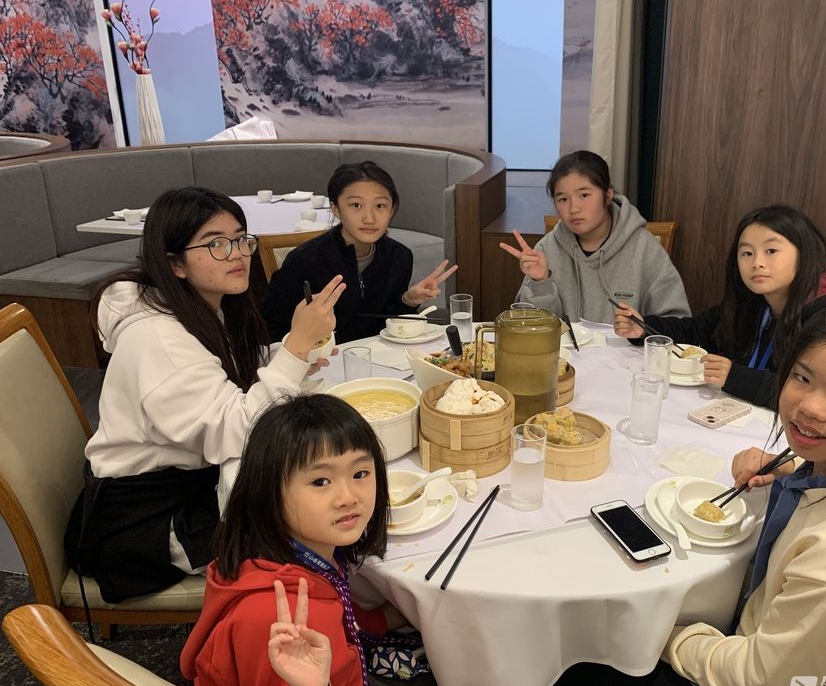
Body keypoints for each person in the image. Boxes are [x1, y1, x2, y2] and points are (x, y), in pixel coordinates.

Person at [552, 300, 826, 686]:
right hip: (800, 661)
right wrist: (793, 470)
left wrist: (661, 634)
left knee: (577, 655)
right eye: (803, 378)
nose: (810, 407)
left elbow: (758, 682)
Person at [65, 187, 345, 603]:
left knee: (325, 477)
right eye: (216, 243)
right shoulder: (156, 337)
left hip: (190, 481)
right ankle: (333, 614)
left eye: (240, 238)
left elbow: (219, 374)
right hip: (150, 523)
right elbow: (234, 431)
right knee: (319, 510)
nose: (237, 253)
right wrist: (294, 351)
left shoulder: (195, 304)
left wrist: (292, 355)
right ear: (175, 263)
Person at [180, 394, 432, 686]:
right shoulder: (277, 622)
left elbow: (339, 613)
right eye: (321, 481)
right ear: (270, 491)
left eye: (360, 474)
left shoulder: (295, 550)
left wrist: (384, 620)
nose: (348, 497)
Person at [613, 204, 826, 407]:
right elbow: (696, 331)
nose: (757, 262)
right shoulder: (753, 299)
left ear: (803, 254)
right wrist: (644, 328)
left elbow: (818, 394)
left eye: (771, 251)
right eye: (747, 253)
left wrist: (736, 377)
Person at [262, 161, 458, 343]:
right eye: (356, 205)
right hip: (319, 361)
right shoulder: (305, 260)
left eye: (380, 206)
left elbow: (388, 324)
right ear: (335, 208)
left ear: (391, 209)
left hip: (380, 356)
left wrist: (408, 300)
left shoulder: (399, 256)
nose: (369, 218)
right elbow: (270, 328)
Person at [499, 149, 689, 324]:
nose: (574, 208)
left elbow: (677, 323)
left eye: (584, 195)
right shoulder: (546, 249)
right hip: (564, 351)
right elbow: (527, 327)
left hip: (627, 352)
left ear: (608, 194)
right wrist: (541, 283)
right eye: (563, 199)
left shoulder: (644, 248)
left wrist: (641, 328)